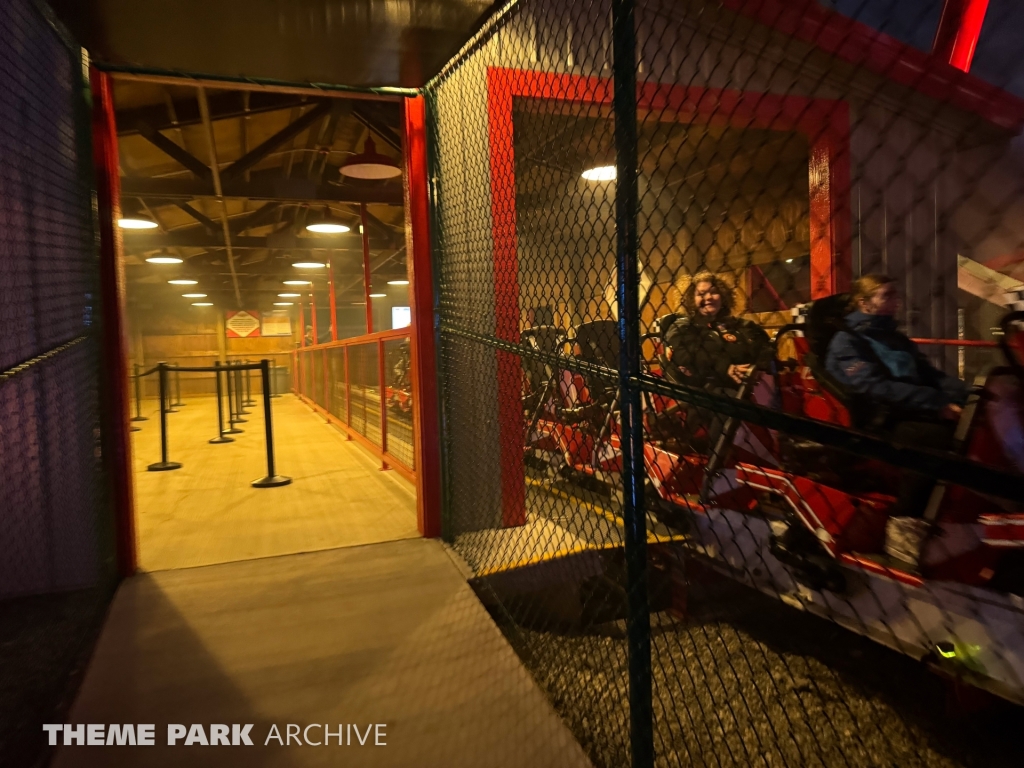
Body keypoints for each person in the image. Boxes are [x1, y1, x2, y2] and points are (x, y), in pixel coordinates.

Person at [825, 275, 969, 560]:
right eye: (887, 295)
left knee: (973, 425)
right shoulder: (847, 342)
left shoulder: (895, 338)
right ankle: (904, 524)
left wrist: (971, 395)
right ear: (864, 303)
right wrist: (937, 405)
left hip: (911, 408)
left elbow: (931, 376)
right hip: (878, 418)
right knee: (933, 438)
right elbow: (876, 389)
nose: (896, 302)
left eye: (895, 295)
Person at [659, 273, 771, 449]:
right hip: (704, 391)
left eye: (713, 292)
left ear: (723, 296)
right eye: (701, 294)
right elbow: (687, 355)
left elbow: (765, 347)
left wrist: (761, 366)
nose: (708, 297)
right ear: (690, 299)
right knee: (729, 403)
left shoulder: (741, 326)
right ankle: (716, 468)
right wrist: (725, 367)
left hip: (751, 385)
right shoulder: (683, 327)